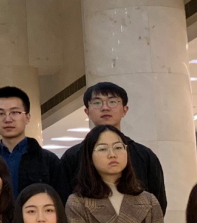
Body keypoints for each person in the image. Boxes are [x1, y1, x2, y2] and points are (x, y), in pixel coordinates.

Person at [58, 82, 168, 212]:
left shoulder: (144, 155)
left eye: (112, 102)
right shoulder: (72, 157)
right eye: (97, 102)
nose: (105, 108)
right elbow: (63, 203)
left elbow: (158, 203)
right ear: (87, 111)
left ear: (124, 110)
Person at [0, 86, 68, 195]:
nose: (8, 119)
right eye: (0, 113)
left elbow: (60, 199)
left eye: (15, 112)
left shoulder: (49, 161)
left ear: (28, 117)